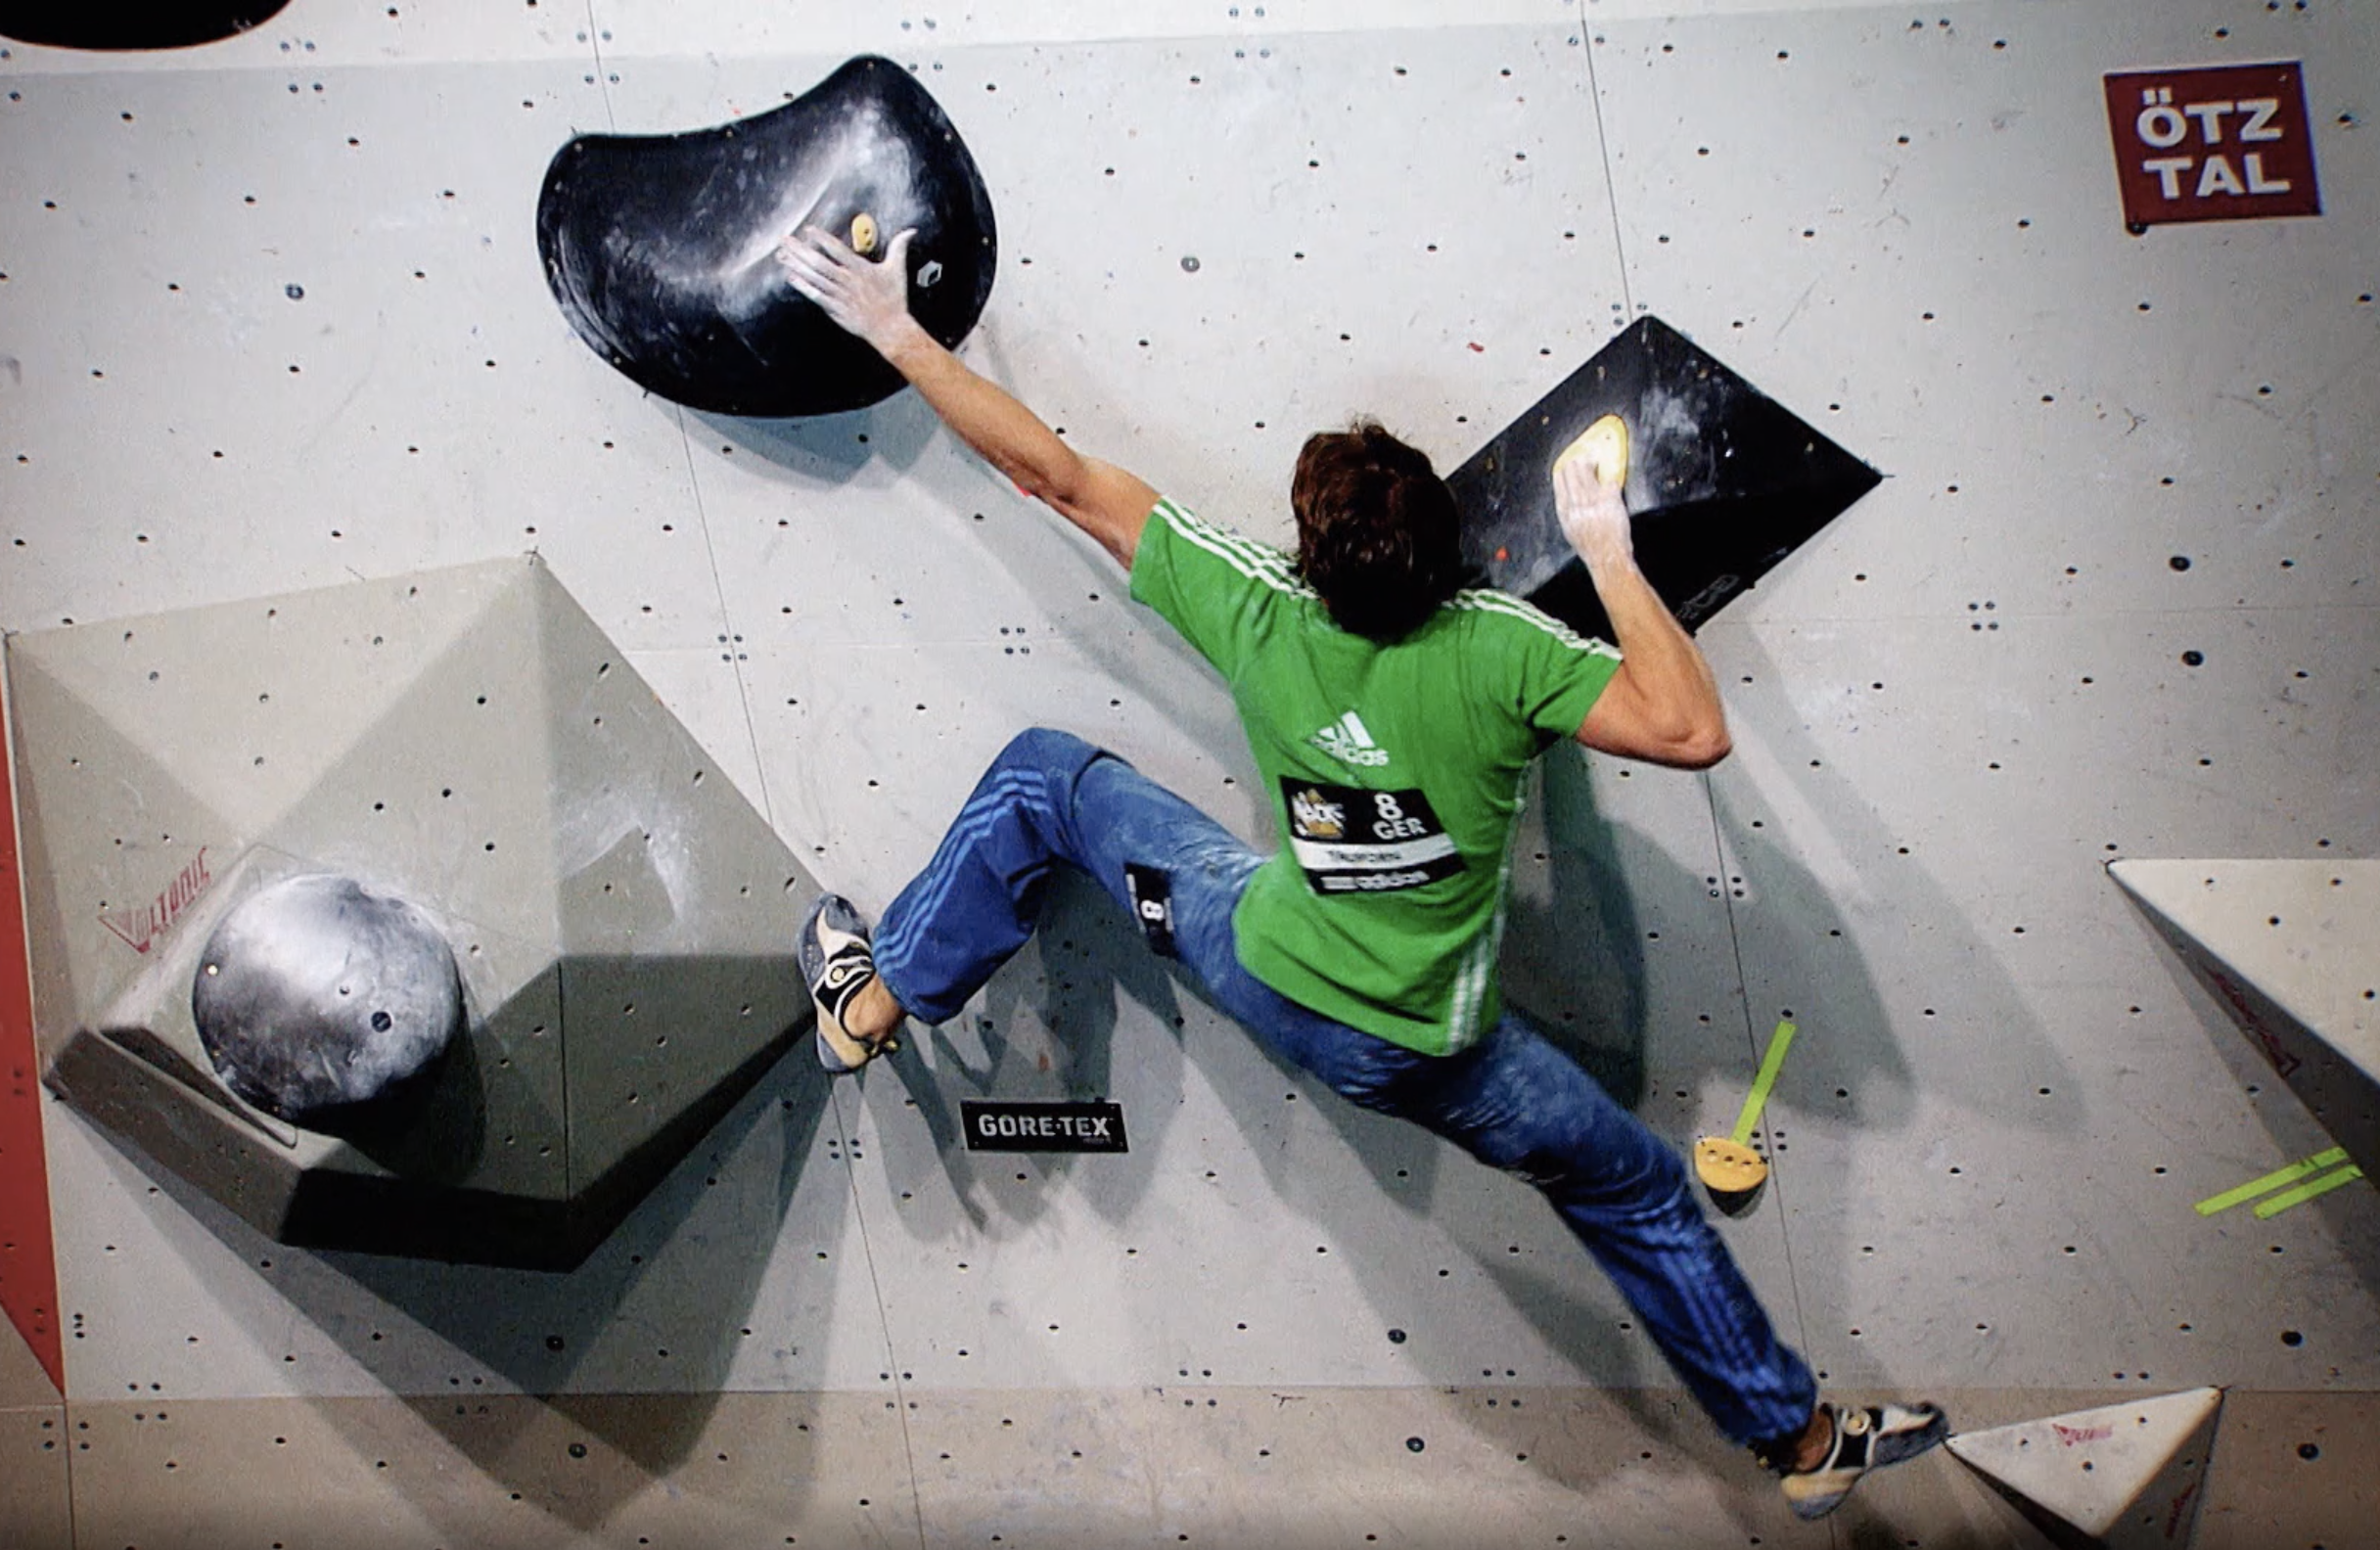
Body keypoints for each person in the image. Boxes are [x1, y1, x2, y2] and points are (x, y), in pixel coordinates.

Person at [775, 225, 1945, 1520]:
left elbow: (1048, 476)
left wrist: (896, 334)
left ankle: (869, 1007)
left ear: (1315, 560)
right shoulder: (1503, 646)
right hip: (1432, 1054)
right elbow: (1689, 728)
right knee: (1639, 1189)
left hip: (1265, 967)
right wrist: (1606, 547)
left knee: (1049, 779)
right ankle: (1800, 1443)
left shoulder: (1261, 607)